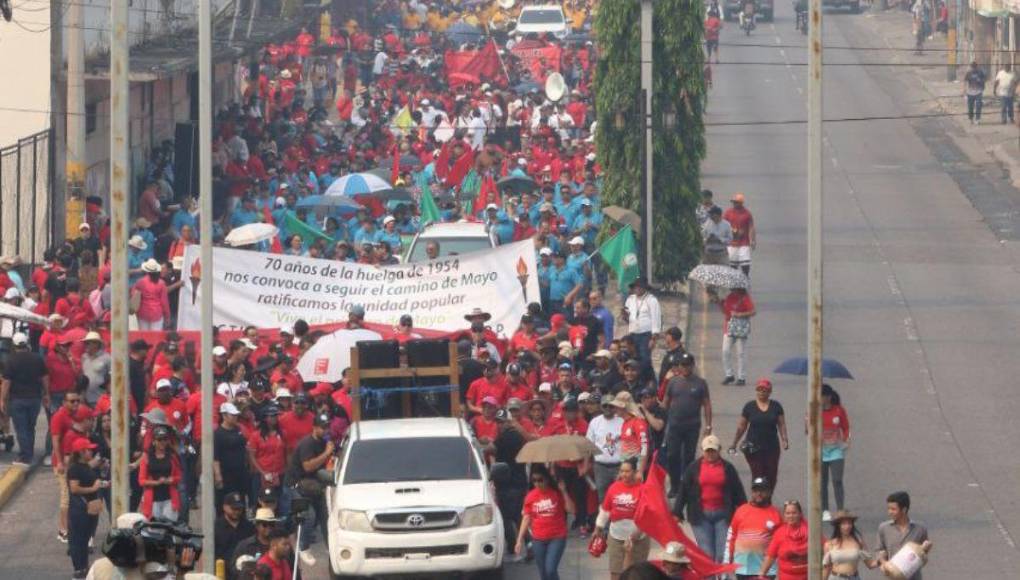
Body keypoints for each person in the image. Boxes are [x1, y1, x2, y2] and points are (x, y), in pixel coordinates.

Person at [675, 435, 746, 564]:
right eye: (708, 451)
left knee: (721, 554)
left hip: (723, 515)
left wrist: (744, 513)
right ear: (703, 451)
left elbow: (738, 491)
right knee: (707, 554)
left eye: (713, 451)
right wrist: (676, 512)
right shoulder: (693, 469)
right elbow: (683, 491)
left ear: (719, 450)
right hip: (701, 516)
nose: (710, 454)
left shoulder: (728, 468)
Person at [283, 412, 333, 565]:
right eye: (322, 427)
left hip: (312, 486)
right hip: (296, 485)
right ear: (315, 427)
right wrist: (326, 453)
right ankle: (303, 548)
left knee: (326, 517)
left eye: (327, 427)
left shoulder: (324, 441)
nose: (325, 430)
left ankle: (331, 547)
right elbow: (308, 466)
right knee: (309, 516)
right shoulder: (308, 443)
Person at [661, 353, 712, 494]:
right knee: (672, 455)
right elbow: (666, 402)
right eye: (682, 365)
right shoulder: (673, 382)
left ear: (692, 365)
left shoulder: (700, 383)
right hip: (674, 425)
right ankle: (675, 485)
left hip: (692, 425)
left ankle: (688, 485)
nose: (685, 368)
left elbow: (707, 404)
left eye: (688, 365)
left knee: (689, 456)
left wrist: (708, 425)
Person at [516, 464, 575, 580]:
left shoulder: (556, 493)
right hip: (538, 539)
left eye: (540, 480)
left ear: (547, 479)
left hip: (557, 537)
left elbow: (571, 510)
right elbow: (526, 518)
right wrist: (519, 540)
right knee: (544, 574)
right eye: (534, 480)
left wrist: (564, 491)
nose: (537, 483)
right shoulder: (530, 496)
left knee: (550, 569)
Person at [729, 378, 788, 491]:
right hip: (753, 447)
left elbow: (781, 424)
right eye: (759, 389)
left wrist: (784, 439)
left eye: (764, 390)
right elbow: (742, 426)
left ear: (769, 392)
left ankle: (768, 497)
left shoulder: (776, 406)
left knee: (771, 475)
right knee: (758, 474)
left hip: (772, 447)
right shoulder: (749, 406)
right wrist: (734, 443)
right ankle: (757, 497)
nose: (762, 392)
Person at [595, 458, 648, 580]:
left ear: (635, 472)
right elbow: (605, 510)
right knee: (616, 573)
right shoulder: (613, 488)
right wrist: (598, 528)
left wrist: (634, 536)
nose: (623, 474)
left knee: (636, 575)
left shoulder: (643, 489)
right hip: (616, 537)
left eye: (627, 471)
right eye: (621, 471)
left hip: (638, 540)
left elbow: (646, 518)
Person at [1, 332, 49, 465]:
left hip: (17, 399)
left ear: (14, 344)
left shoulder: (10, 360)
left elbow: (6, 382)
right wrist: (47, 394)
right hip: (35, 399)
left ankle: (25, 456)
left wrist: (2, 399)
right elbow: (45, 377)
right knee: (30, 427)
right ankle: (28, 453)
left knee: (21, 428)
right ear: (27, 343)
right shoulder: (37, 358)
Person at [725, 476, 781, 579]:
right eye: (756, 491)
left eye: (762, 490)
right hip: (742, 568)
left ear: (769, 492)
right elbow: (731, 536)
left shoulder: (775, 514)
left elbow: (780, 543)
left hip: (766, 570)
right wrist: (726, 561)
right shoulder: (741, 510)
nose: (758, 494)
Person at [66, 438, 106, 579]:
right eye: (89, 449)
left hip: (89, 509)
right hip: (80, 510)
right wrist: (93, 488)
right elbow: (74, 488)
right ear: (82, 452)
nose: (91, 451)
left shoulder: (86, 466)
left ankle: (83, 568)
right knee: (78, 540)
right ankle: (79, 569)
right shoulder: (75, 469)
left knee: (84, 540)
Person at [811, 384, 850, 521]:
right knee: (822, 481)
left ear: (828, 397)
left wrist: (845, 441)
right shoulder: (815, 411)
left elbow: (846, 428)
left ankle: (840, 509)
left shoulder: (839, 410)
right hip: (820, 450)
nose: (820, 399)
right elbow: (808, 431)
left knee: (837, 479)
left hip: (836, 450)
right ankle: (825, 510)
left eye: (822, 396)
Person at [876, 491, 931, 579]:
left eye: (893, 509)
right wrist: (884, 563)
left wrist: (926, 547)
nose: (889, 512)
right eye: (888, 509)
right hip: (893, 577)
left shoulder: (920, 529)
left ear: (904, 510)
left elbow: (922, 554)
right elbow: (880, 551)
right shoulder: (884, 528)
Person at [138, 424, 181, 521]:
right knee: (154, 530)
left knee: (170, 528)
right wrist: (157, 482)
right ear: (153, 441)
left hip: (170, 499)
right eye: (159, 439)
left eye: (165, 439)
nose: (162, 442)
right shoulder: (147, 459)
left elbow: (179, 476)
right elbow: (141, 481)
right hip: (152, 500)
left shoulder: (172, 457)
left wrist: (171, 480)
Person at [759, 499, 809, 580]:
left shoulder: (811, 530)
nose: (791, 516)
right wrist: (762, 574)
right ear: (784, 515)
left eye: (794, 513)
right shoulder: (780, 533)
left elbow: (825, 547)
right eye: (788, 513)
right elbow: (770, 556)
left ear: (800, 514)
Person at [621, 277, 661, 377]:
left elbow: (656, 319)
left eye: (639, 287)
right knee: (632, 357)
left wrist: (654, 338)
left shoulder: (651, 300)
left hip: (645, 334)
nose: (637, 289)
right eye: (635, 287)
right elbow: (627, 319)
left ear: (644, 288)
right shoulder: (630, 299)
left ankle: (647, 377)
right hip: (633, 333)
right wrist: (625, 316)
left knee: (645, 358)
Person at [586, 394, 623, 502]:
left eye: (611, 406)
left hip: (619, 467)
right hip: (600, 467)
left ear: (615, 406)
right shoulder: (595, 422)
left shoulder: (622, 421)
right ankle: (605, 519)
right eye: (605, 406)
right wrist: (587, 463)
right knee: (603, 499)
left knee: (619, 497)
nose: (608, 408)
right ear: (601, 407)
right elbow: (589, 444)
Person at [823, 510, 879, 580]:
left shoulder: (859, 542)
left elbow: (870, 564)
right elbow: (827, 568)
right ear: (838, 526)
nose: (847, 526)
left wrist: (882, 560)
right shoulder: (829, 544)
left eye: (849, 523)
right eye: (843, 524)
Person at [720, 287, 756, 386]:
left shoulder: (745, 298)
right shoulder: (729, 297)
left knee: (741, 353)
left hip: (741, 328)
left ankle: (741, 377)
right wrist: (719, 303)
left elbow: (753, 311)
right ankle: (729, 374)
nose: (732, 290)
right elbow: (725, 312)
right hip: (728, 327)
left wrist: (739, 314)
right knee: (725, 351)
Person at [215, 492, 256, 563]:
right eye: (234, 509)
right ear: (224, 507)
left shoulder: (248, 527)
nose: (237, 512)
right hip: (222, 569)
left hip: (244, 569)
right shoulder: (216, 527)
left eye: (239, 509)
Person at [132, 259, 170, 330]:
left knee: (143, 336)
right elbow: (164, 302)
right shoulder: (161, 283)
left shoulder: (140, 282)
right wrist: (167, 315)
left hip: (143, 313)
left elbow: (133, 295)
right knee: (155, 337)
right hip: (157, 313)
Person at [723, 193, 755, 277]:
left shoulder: (747, 214)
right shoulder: (728, 213)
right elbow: (723, 226)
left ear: (741, 203)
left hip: (744, 243)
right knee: (733, 266)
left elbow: (751, 227)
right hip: (731, 243)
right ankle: (734, 285)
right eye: (734, 202)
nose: (734, 204)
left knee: (745, 265)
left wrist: (752, 240)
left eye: (736, 202)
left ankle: (745, 281)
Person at [964, 60, 986, 125]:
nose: (973, 68)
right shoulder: (968, 73)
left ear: (977, 67)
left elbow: (984, 79)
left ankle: (977, 119)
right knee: (970, 106)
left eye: (974, 66)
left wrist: (981, 82)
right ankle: (971, 118)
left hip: (978, 92)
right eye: (972, 67)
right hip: (970, 92)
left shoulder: (980, 72)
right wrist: (964, 91)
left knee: (978, 106)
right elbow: (965, 81)